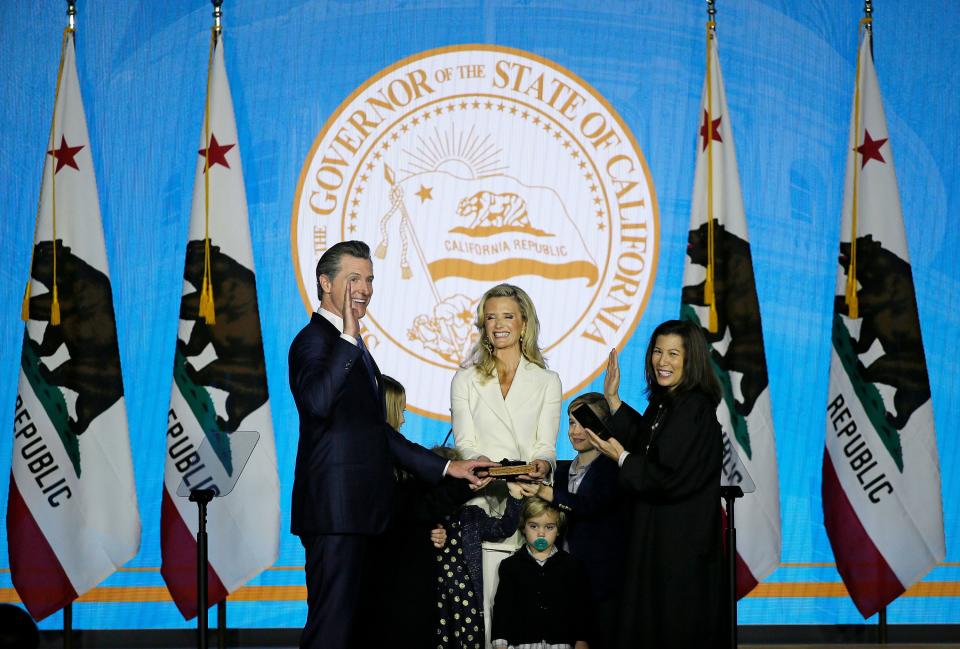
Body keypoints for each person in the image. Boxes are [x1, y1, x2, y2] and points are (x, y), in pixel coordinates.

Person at [288, 240, 494, 649]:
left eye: (369, 279)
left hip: (364, 514)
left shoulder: (356, 348)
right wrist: (348, 337)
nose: (363, 288)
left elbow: (377, 432)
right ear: (325, 283)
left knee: (357, 628)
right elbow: (316, 403)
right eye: (353, 279)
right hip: (336, 514)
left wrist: (447, 468)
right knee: (331, 629)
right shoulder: (314, 341)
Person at [585, 319, 726, 648]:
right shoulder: (667, 403)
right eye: (658, 352)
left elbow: (668, 476)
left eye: (674, 354)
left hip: (679, 548)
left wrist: (620, 456)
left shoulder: (694, 408)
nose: (663, 361)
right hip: (656, 542)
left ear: (691, 360)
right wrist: (614, 400)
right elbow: (647, 442)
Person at [451, 283, 562, 647]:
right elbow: (465, 446)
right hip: (486, 507)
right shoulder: (465, 380)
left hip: (529, 507)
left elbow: (545, 447)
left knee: (529, 619)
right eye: (490, 317)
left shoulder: (547, 381)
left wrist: (542, 468)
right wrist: (489, 468)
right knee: (485, 617)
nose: (499, 324)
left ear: (524, 323)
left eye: (507, 316)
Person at [535, 393, 624, 649]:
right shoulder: (560, 472)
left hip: (601, 585)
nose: (576, 431)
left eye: (585, 423)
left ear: (603, 426)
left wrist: (545, 493)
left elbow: (589, 506)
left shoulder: (613, 468)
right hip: (565, 585)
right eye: (572, 423)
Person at [490, 497, 591, 649]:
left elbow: (581, 606)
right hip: (522, 643)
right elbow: (503, 608)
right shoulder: (510, 566)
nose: (541, 533)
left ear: (558, 530)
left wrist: (582, 639)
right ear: (524, 527)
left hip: (561, 643)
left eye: (549, 527)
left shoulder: (572, 565)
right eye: (534, 526)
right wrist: (500, 643)